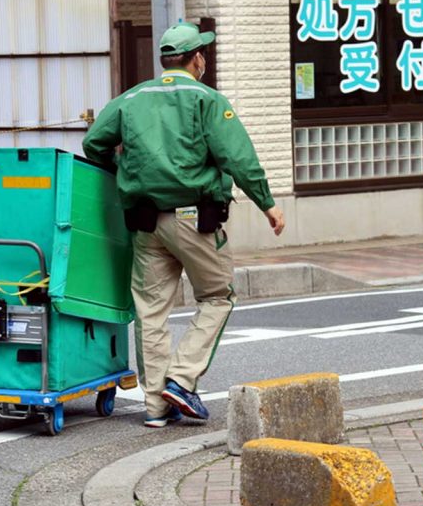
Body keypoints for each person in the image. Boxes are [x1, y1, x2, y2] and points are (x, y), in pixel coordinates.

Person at [83, 22, 285, 428]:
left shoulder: (131, 99)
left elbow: (94, 144)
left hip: (144, 223)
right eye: (203, 53)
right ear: (197, 59)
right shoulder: (206, 100)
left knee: (151, 311)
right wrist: (268, 204)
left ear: (164, 62)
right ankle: (181, 379)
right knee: (216, 296)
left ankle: (156, 406)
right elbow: (237, 158)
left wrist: (124, 169)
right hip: (196, 220)